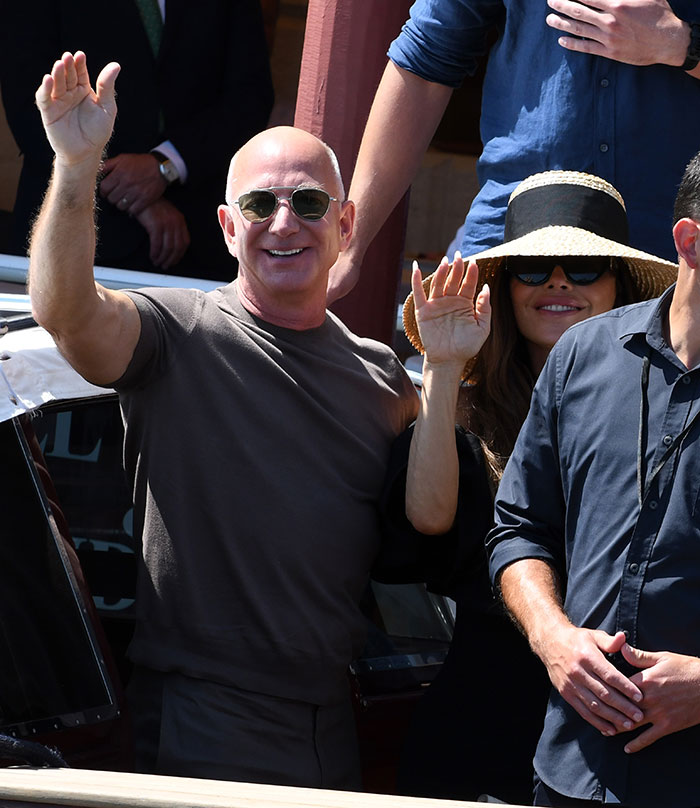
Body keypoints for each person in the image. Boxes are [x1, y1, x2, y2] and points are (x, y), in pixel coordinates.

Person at [27, 51, 418, 788]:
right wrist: (77, 165)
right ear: (227, 226)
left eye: (306, 204)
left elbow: (433, 524)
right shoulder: (177, 331)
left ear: (345, 222)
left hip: (336, 720)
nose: (283, 224)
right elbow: (66, 313)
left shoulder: (385, 377)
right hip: (202, 718)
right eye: (259, 206)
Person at [375, 170, 677, 804]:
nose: (559, 282)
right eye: (535, 266)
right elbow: (425, 525)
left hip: (628, 741)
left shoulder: (674, 407)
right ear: (506, 289)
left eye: (586, 267)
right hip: (480, 734)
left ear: (621, 287)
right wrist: (443, 366)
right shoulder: (465, 407)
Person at [487, 150, 700, 807]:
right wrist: (552, 638)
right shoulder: (581, 354)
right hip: (569, 775)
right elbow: (517, 531)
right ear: (691, 241)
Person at [329, 0, 700, 301]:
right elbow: (426, 57)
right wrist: (350, 244)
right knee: (469, 386)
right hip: (509, 233)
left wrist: (682, 44)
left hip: (672, 244)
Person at [0, 0, 273, 279]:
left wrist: (167, 164)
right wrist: (132, 194)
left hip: (195, 242)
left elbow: (249, 97)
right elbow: (31, 106)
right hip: (74, 236)